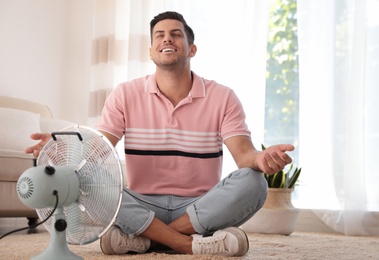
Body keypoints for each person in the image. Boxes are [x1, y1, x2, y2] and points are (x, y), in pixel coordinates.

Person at [25, 11, 294, 257]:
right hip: (141, 203)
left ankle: (146, 239)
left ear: (192, 49)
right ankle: (187, 243)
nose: (168, 39)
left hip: (200, 206)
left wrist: (262, 160)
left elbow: (245, 154)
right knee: (85, 176)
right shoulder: (125, 94)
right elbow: (99, 149)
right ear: (152, 51)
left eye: (176, 34)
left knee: (254, 182)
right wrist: (64, 150)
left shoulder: (223, 97)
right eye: (160, 36)